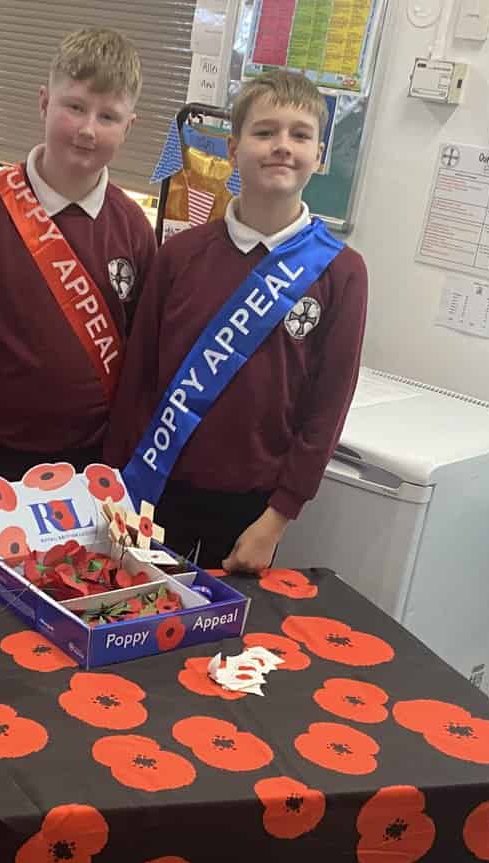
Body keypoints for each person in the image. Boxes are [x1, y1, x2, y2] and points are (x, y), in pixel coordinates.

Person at [104, 70, 368, 573]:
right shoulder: (179, 255)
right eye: (264, 132)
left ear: (319, 155)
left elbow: (327, 408)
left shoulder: (341, 272)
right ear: (232, 149)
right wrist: (118, 487)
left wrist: (278, 518)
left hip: (254, 509)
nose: (282, 146)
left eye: (300, 135)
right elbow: (138, 380)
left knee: (230, 626)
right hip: (155, 489)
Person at [0, 28, 156, 564]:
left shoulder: (133, 228)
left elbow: (142, 353)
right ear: (45, 102)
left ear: (129, 127)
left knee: (71, 587)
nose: (88, 129)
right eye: (75, 107)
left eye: (108, 116)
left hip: (89, 465)